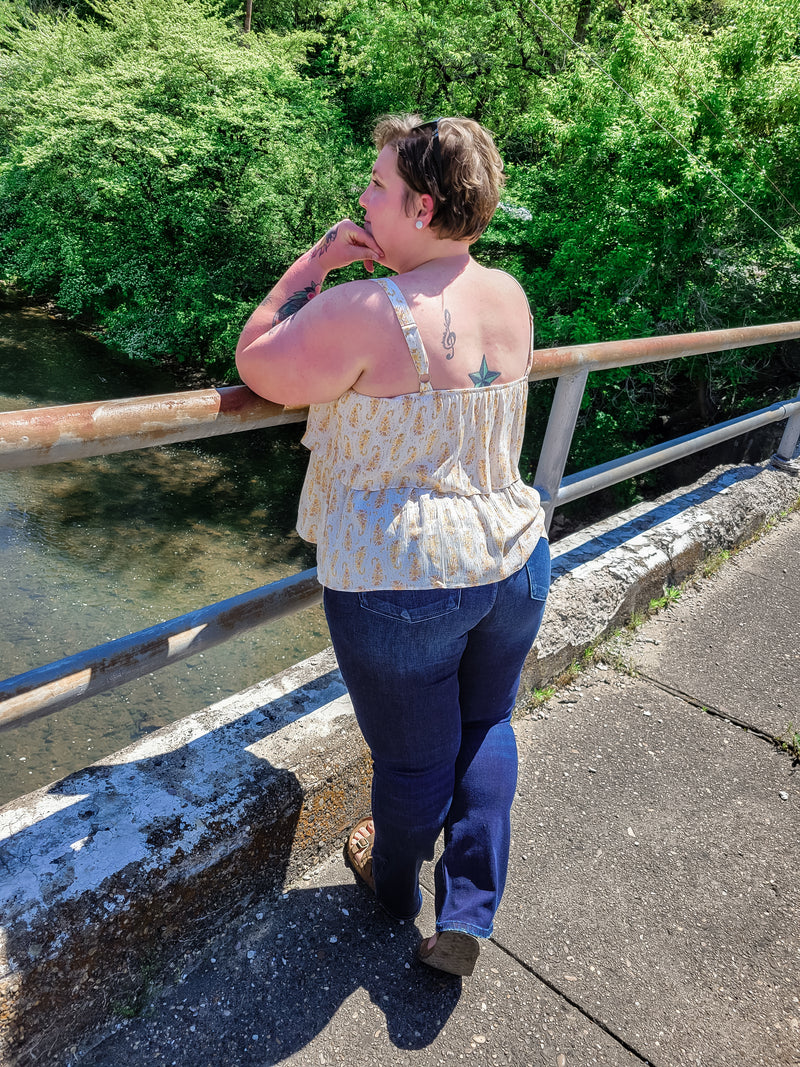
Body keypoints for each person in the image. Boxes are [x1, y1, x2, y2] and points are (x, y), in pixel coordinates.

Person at [236, 114, 550, 978]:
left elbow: (256, 358)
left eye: (375, 188)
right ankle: (471, 912)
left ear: (419, 203)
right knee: (485, 725)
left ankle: (392, 882)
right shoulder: (510, 295)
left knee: (415, 758)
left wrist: (318, 260)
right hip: (515, 556)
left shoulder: (367, 310)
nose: (362, 200)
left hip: (403, 578)